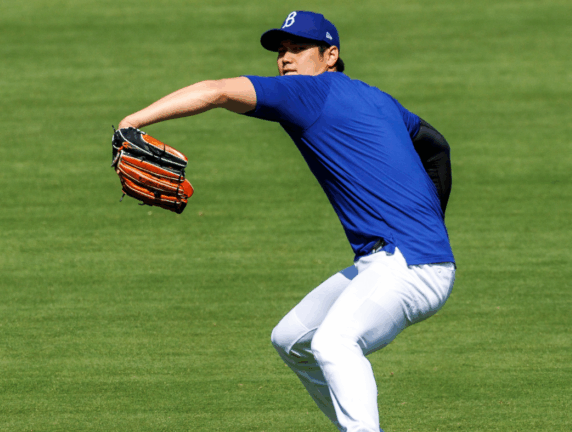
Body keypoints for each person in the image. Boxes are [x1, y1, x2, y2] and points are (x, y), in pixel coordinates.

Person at [117, 10, 456, 432]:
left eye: (298, 48)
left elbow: (216, 91)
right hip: (394, 260)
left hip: (409, 266)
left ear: (330, 55)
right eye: (281, 50)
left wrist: (132, 122)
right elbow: (436, 146)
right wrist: (430, 227)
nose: (286, 59)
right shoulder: (377, 98)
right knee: (291, 339)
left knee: (334, 342)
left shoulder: (307, 93)